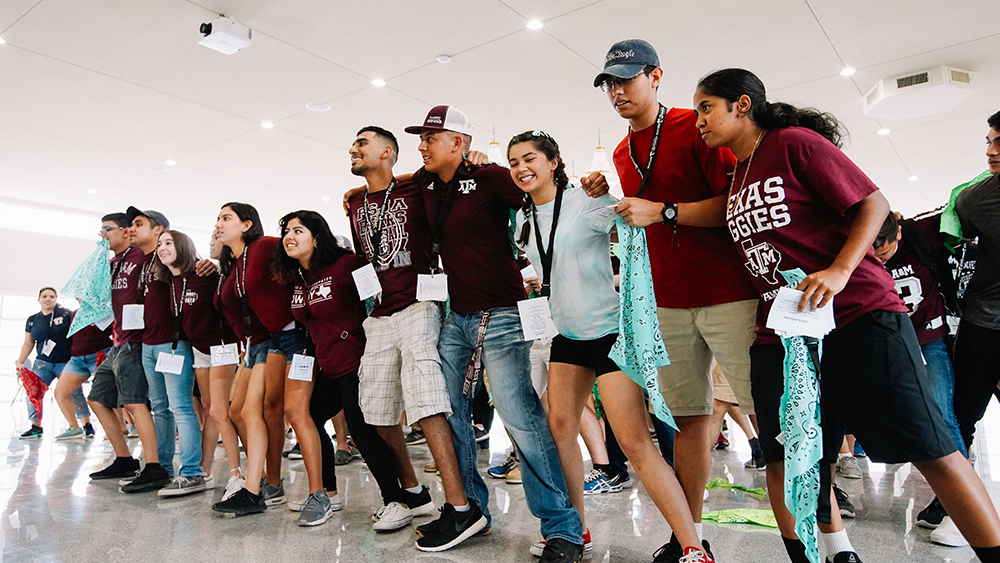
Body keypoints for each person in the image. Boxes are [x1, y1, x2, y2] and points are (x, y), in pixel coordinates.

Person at [692, 67, 1000, 563]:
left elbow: (873, 204)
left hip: (857, 315)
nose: (700, 120)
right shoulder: (738, 171)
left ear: (742, 104)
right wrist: (660, 211)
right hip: (784, 335)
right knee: (788, 457)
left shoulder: (793, 143)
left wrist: (838, 270)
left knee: (932, 446)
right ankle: (823, 554)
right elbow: (717, 215)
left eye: (706, 107)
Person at [402, 105, 603, 562]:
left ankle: (563, 528)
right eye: (421, 138)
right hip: (457, 316)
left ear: (459, 142)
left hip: (504, 313)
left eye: (431, 138)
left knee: (522, 419)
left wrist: (588, 194)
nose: (422, 145)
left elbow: (544, 200)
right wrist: (358, 193)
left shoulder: (492, 177)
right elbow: (394, 190)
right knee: (447, 410)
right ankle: (470, 508)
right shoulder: (425, 181)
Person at [508, 129, 712, 563]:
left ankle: (694, 547)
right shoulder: (523, 219)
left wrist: (607, 187)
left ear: (553, 163)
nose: (521, 169)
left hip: (608, 333)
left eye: (529, 159)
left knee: (635, 442)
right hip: (566, 335)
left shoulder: (586, 200)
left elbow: (629, 222)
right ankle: (573, 530)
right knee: (560, 430)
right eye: (513, 163)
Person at [597, 39, 759, 560]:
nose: (618, 91)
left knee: (770, 414)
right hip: (664, 300)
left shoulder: (698, 126)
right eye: (610, 83)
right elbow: (639, 214)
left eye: (627, 79)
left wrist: (663, 211)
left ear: (656, 76)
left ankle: (819, 529)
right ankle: (689, 538)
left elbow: (734, 204)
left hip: (728, 291)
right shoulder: (622, 150)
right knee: (689, 420)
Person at [345, 126, 471, 541]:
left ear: (387, 152)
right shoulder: (355, 202)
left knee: (426, 400)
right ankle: (414, 492)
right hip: (379, 313)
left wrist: (476, 160)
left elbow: (450, 174)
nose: (352, 149)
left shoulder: (416, 186)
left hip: (420, 302)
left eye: (361, 143)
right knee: (376, 410)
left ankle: (459, 505)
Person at [873, 209, 967, 532]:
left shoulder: (922, 234)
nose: (880, 259)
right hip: (892, 342)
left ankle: (960, 500)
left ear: (897, 233)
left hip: (930, 338)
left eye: (883, 252)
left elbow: (960, 206)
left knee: (942, 414)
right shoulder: (864, 249)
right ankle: (946, 493)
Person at [211, 202, 298, 516]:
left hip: (276, 337)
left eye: (226, 218)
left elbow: (300, 256)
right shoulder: (233, 266)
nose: (219, 224)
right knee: (235, 411)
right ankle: (259, 476)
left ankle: (253, 489)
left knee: (251, 411)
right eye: (217, 219)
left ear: (246, 224)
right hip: (254, 344)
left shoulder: (263, 247)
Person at [87, 209, 169, 493]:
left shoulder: (141, 256)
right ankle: (124, 458)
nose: (103, 235)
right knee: (97, 398)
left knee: (135, 402)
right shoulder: (113, 263)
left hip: (137, 340)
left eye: (108, 229)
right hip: (117, 341)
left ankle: (154, 466)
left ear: (125, 232)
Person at [950, 110, 1000, 548]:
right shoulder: (974, 200)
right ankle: (956, 508)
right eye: (989, 140)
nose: (991, 151)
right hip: (984, 323)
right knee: (961, 416)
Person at [149, 229, 220, 496]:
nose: (162, 248)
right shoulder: (172, 281)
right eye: (159, 245)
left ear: (183, 246)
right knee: (209, 407)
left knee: (224, 410)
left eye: (168, 243)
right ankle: (204, 469)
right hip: (198, 351)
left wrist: (213, 264)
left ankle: (235, 472)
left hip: (221, 349)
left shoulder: (203, 274)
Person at [15, 287, 75, 439]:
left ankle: (83, 425)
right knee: (34, 392)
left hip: (65, 362)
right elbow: (28, 343)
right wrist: (20, 361)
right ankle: (36, 426)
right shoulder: (32, 320)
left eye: (52, 296)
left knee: (73, 393)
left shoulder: (66, 314)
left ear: (56, 299)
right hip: (43, 363)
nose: (48, 299)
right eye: (44, 296)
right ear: (39, 299)